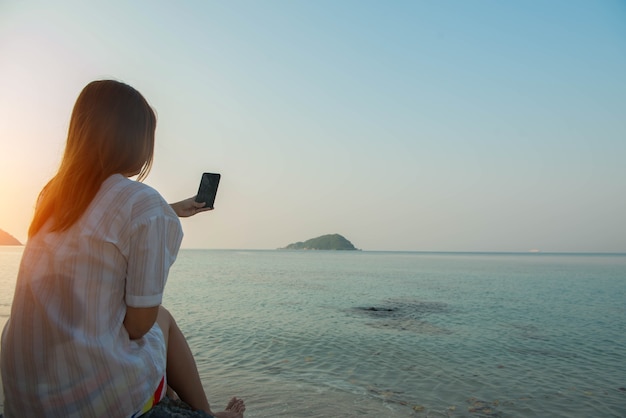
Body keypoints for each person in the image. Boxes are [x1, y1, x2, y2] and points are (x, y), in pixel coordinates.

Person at [0, 80, 246, 418]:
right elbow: (138, 326)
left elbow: (96, 222)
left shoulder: (54, 195)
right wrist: (160, 210)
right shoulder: (144, 204)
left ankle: (178, 404)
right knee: (161, 321)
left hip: (26, 394)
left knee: (145, 347)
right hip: (86, 402)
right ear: (138, 141)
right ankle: (204, 414)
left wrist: (169, 209)